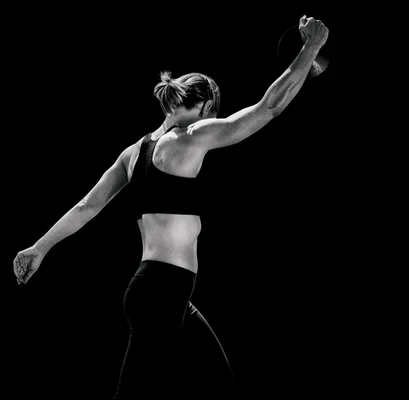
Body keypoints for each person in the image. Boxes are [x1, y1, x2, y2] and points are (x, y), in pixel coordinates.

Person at [13, 14, 329, 399]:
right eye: (214, 114)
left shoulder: (134, 152)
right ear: (207, 105)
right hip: (161, 291)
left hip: (164, 293)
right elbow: (269, 108)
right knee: (135, 397)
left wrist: (39, 247)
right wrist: (310, 47)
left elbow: (85, 206)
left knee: (218, 381)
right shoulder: (190, 136)